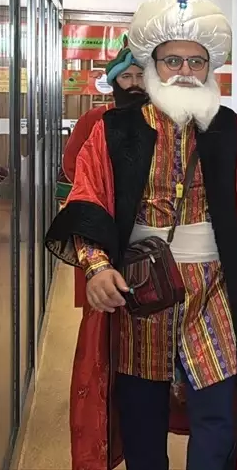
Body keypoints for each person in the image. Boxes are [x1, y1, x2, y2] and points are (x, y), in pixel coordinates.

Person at [43, 0, 237, 470]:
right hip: (140, 292)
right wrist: (96, 268)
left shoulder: (234, 130)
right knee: (141, 414)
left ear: (211, 67)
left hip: (215, 289)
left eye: (196, 62)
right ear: (152, 65)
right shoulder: (113, 130)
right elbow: (88, 201)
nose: (184, 71)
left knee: (219, 409)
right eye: (172, 60)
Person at [57, 38, 149, 310]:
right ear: (114, 81)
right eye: (126, 76)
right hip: (103, 218)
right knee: (102, 309)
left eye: (140, 76)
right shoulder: (95, 119)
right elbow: (72, 166)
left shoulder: (160, 121)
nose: (134, 83)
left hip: (147, 224)